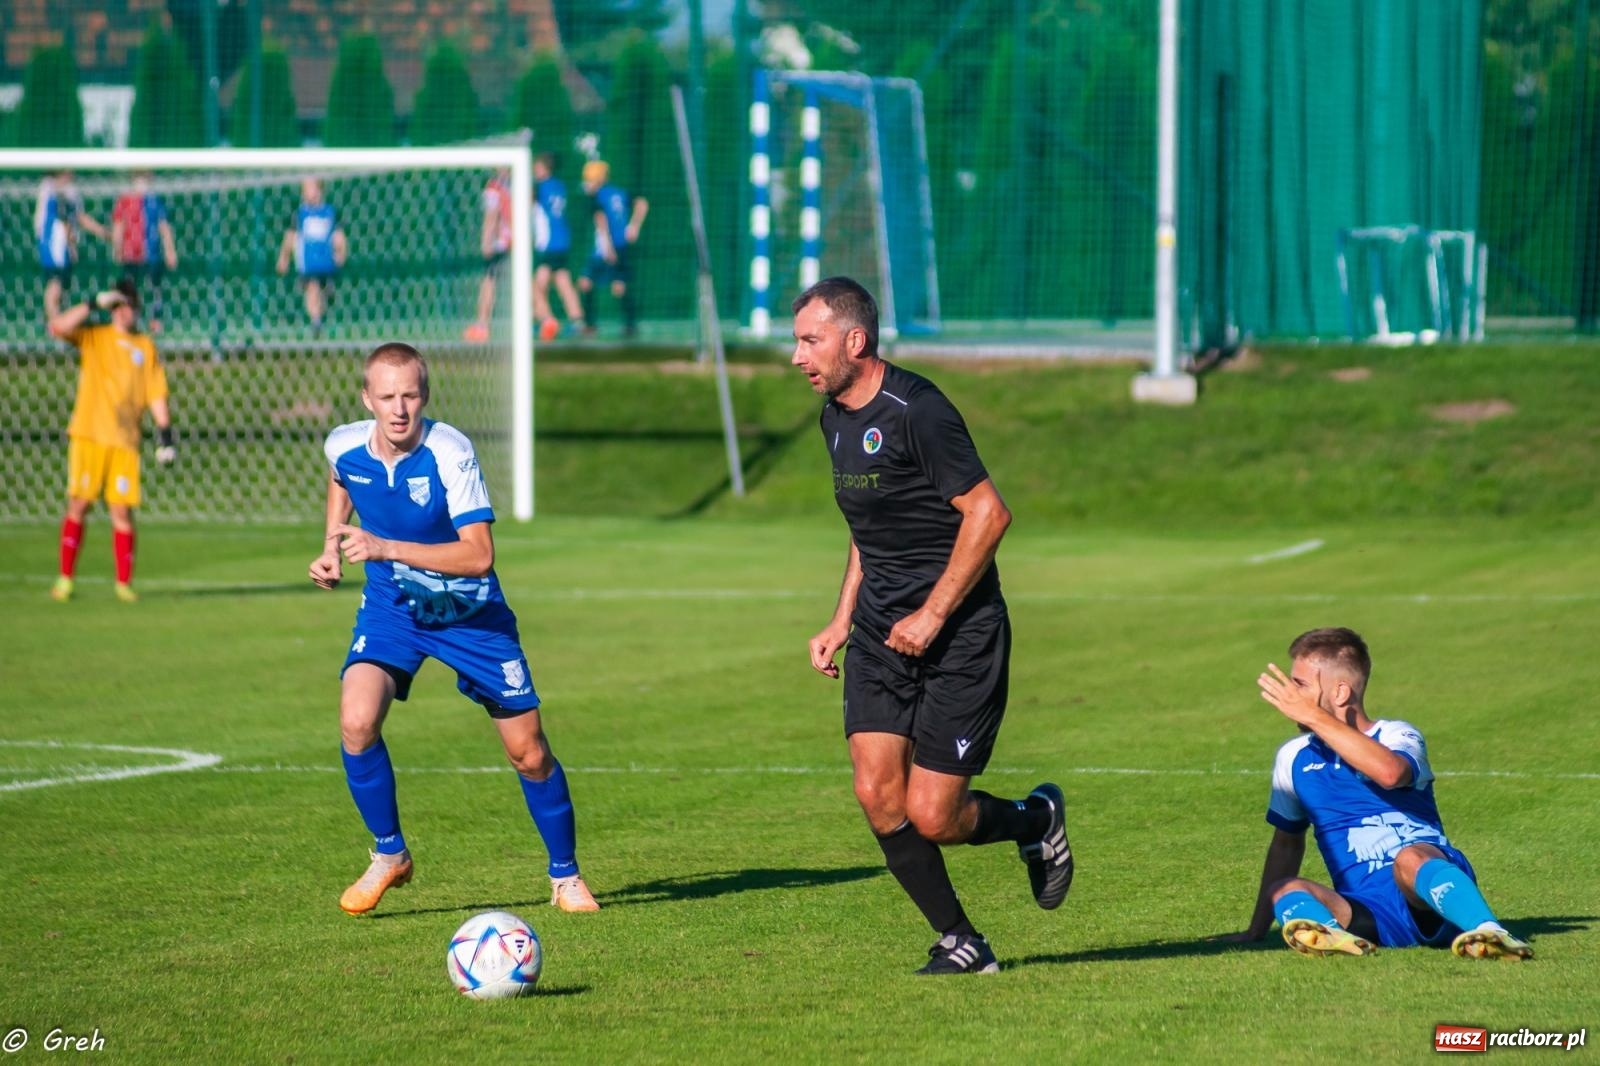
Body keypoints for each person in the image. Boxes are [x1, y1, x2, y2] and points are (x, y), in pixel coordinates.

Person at [793, 276, 1072, 975]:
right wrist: (841, 617)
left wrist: (933, 612)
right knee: (873, 790)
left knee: (934, 816)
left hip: (961, 635)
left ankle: (1035, 821)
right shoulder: (834, 418)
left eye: (810, 340)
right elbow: (870, 528)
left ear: (855, 340)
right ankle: (962, 941)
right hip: (882, 635)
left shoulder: (918, 410)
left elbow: (989, 513)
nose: (798, 356)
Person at [309, 342, 599, 916]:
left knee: (529, 753)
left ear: (426, 397)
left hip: (472, 619)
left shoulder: (449, 452)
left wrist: (384, 546)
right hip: (394, 610)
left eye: (410, 396)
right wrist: (332, 547)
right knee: (356, 720)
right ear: (366, 398)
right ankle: (389, 854)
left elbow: (479, 556)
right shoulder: (343, 442)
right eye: (387, 397)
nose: (399, 409)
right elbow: (341, 477)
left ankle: (565, 875)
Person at [1224, 627, 1533, 960]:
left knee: (1409, 858)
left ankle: (1489, 932)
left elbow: (1390, 773)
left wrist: (1312, 715)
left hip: (1427, 893)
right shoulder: (1294, 758)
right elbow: (1286, 843)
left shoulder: (1397, 734)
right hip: (1367, 910)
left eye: (1300, 685)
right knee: (1285, 890)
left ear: (1340, 692)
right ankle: (1341, 939)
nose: (1290, 696)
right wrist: (1256, 930)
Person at [47, 277, 177, 604]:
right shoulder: (94, 336)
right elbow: (58, 326)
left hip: (125, 442)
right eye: (117, 305)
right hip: (89, 435)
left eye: (128, 305)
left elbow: (156, 392)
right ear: (111, 308)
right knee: (79, 504)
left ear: (136, 309)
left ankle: (123, 584)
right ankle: (65, 579)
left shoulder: (144, 346)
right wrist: (92, 303)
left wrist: (165, 435)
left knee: (122, 511)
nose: (123, 312)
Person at [578, 160, 647, 338]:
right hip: (621, 245)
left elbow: (601, 222)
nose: (587, 184)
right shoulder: (620, 192)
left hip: (605, 247)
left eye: (590, 180)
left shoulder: (597, 197)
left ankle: (590, 325)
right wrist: (634, 226)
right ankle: (630, 326)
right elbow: (642, 203)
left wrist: (608, 248)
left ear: (599, 180)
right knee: (619, 286)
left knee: (586, 283)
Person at [276, 178, 347, 336]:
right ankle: (316, 322)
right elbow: (290, 236)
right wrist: (284, 258)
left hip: (327, 262)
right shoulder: (299, 214)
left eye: (311, 188)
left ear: (320, 189)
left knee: (326, 293)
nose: (308, 192)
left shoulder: (330, 212)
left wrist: (341, 253)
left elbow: (339, 235)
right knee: (312, 288)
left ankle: (320, 317)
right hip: (308, 263)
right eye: (305, 189)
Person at [112, 172, 179, 334]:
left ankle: (155, 322)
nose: (143, 185)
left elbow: (164, 227)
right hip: (131, 254)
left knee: (154, 288)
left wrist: (170, 250)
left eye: (146, 181)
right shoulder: (124, 201)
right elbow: (118, 225)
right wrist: (117, 248)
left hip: (151, 254)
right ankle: (130, 322)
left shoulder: (154, 201)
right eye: (139, 180)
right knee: (130, 289)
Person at [36, 169, 108, 321]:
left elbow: (77, 216)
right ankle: (54, 323)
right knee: (55, 283)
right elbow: (66, 219)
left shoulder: (65, 191)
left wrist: (101, 232)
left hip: (56, 244)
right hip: (55, 244)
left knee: (61, 285)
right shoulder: (55, 190)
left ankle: (56, 321)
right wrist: (71, 243)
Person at [532, 153, 586, 339]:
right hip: (563, 240)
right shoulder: (560, 185)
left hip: (548, 242)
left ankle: (545, 321)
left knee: (537, 285)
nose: (533, 169)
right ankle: (577, 319)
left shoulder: (538, 187)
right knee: (563, 281)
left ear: (543, 168)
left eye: (536, 166)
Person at [464, 168, 514, 343]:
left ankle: (482, 325)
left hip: (500, 242)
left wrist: (486, 241)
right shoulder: (515, 185)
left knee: (488, 281)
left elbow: (491, 217)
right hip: (516, 241)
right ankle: (544, 319)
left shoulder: (494, 188)